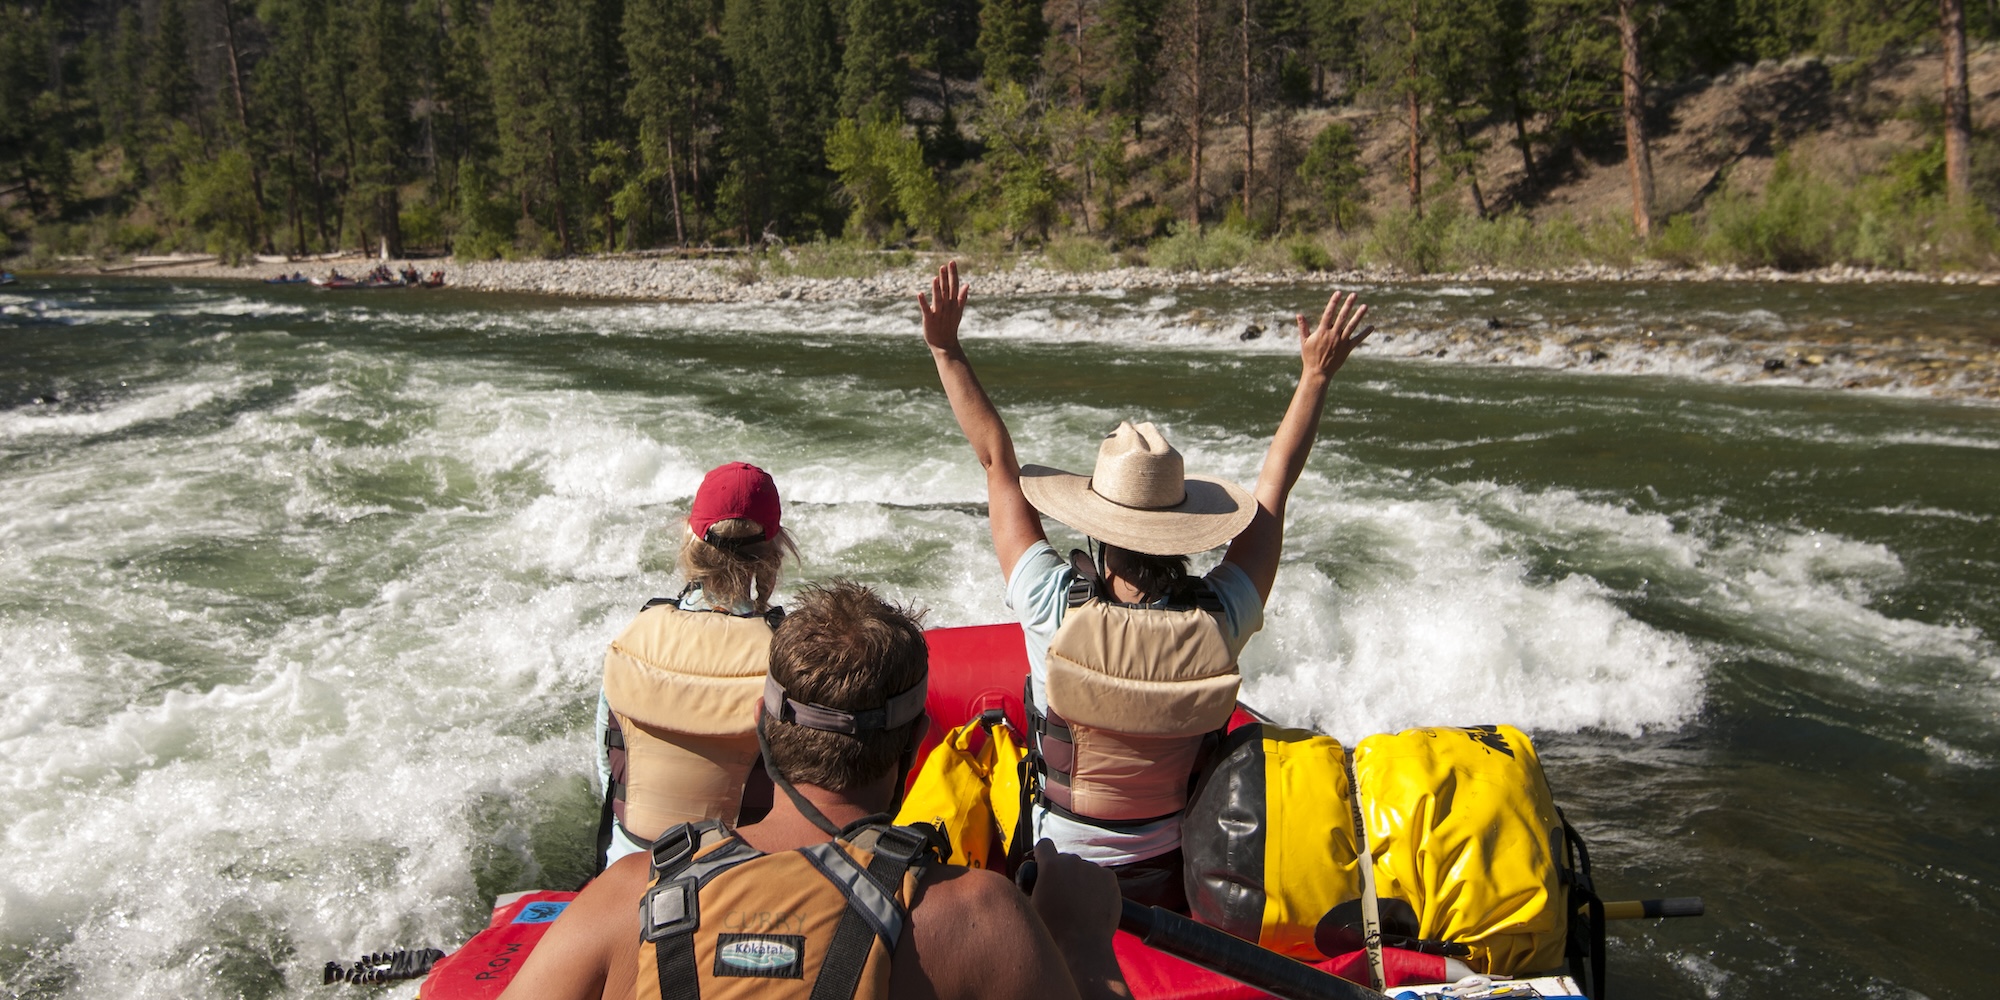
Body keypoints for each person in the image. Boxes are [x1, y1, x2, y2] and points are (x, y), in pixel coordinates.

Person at [917, 260, 1373, 910]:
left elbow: (996, 458)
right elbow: (1274, 490)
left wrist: (945, 348)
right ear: (1183, 530)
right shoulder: (1220, 617)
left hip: (1054, 874)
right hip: (1177, 877)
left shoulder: (1051, 605)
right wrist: (1315, 376)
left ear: (1098, 533)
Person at [499, 582, 1129, 1000]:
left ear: (761, 726)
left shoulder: (625, 901)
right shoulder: (979, 921)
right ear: (918, 741)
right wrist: (1082, 942)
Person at [594, 461, 800, 867]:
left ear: (691, 539)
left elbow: (610, 774)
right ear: (774, 551)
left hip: (629, 868)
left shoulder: (634, 636)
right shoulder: (788, 656)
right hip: (740, 875)